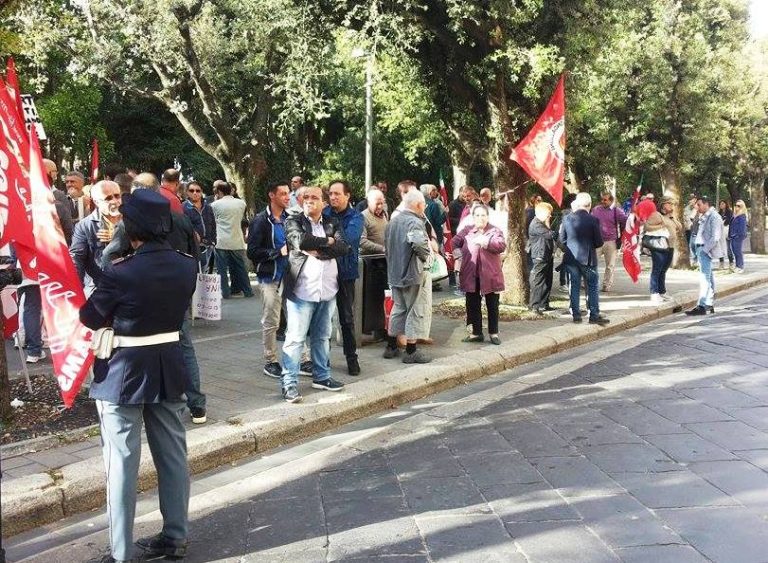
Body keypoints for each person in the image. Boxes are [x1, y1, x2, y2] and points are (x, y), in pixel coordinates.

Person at [79, 189, 197, 563]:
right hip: (168, 364)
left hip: (124, 372)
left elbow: (90, 317)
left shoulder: (120, 270)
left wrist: (110, 256)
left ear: (130, 226)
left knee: (122, 465)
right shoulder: (186, 264)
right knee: (174, 457)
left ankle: (120, 552)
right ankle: (175, 536)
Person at [101, 173, 206, 425]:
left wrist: (115, 281)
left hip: (140, 298)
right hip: (176, 295)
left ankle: (152, 402)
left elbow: (109, 257)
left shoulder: (132, 224)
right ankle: (196, 404)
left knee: (149, 348)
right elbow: (194, 255)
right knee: (183, 347)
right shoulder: (180, 220)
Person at [281, 186, 350, 403]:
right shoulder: (293, 221)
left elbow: (344, 247)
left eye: (315, 197)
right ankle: (289, 383)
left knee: (322, 337)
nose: (309, 200)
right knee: (295, 339)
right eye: (306, 197)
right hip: (302, 292)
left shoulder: (332, 222)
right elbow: (300, 241)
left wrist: (320, 249)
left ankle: (322, 376)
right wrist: (328, 242)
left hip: (328, 291)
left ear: (324, 203)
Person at [383, 190, 433, 363]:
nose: (424, 208)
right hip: (412, 273)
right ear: (418, 205)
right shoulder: (415, 222)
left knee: (398, 308)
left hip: (395, 273)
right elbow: (418, 244)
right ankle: (411, 351)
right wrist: (426, 255)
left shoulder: (392, 222)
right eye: (424, 205)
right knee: (414, 309)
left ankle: (391, 346)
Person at [247, 182, 290, 379]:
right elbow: (252, 252)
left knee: (296, 319)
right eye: (283, 194)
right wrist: (276, 252)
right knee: (271, 320)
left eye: (288, 194)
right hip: (269, 277)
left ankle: (304, 359)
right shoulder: (261, 221)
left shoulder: (290, 219)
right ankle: (270, 360)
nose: (287, 197)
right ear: (272, 195)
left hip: (289, 277)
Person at [323, 180, 365, 376]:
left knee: (346, 319)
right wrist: (330, 240)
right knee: (322, 318)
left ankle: (351, 358)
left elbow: (348, 242)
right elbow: (315, 240)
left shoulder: (356, 216)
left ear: (348, 196)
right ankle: (322, 359)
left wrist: (329, 236)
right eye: (330, 193)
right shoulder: (323, 214)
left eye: (337, 194)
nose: (333, 197)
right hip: (323, 272)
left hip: (346, 273)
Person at [453, 204, 506, 344]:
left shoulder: (495, 230)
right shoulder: (467, 230)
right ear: (473, 217)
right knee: (472, 304)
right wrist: (458, 255)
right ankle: (476, 333)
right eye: (477, 215)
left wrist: (487, 242)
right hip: (471, 274)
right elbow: (454, 242)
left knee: (492, 305)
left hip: (490, 274)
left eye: (483, 215)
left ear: (487, 217)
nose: (480, 218)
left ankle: (493, 333)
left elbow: (501, 245)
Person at [560, 192, 609, 326]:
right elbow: (599, 242)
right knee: (592, 286)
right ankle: (594, 314)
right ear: (589, 205)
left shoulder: (567, 218)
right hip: (587, 258)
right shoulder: (593, 220)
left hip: (571, 258)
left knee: (574, 286)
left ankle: (576, 314)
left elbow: (562, 239)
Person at [70, 180, 122, 291]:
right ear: (97, 202)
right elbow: (77, 258)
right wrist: (75, 289)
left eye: (117, 196)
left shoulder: (134, 219)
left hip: (133, 286)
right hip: (101, 287)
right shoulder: (84, 226)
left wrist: (119, 237)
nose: (115, 201)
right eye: (108, 198)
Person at [211, 182, 254, 299]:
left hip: (221, 240)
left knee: (222, 269)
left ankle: (225, 292)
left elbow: (213, 221)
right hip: (236, 239)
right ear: (231, 190)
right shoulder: (241, 203)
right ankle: (248, 291)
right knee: (241, 267)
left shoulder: (215, 205)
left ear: (219, 192)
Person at [686, 196, 724, 316]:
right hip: (700, 247)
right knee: (709, 276)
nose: (697, 207)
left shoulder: (714, 216)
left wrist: (704, 250)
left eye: (699, 205)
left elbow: (715, 237)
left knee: (704, 278)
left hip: (704, 249)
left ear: (706, 204)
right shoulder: (704, 215)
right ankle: (708, 303)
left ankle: (702, 305)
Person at [360, 189, 389, 341]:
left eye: (382, 203)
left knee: (384, 296)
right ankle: (372, 328)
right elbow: (362, 241)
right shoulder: (363, 217)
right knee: (372, 298)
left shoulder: (385, 214)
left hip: (385, 262)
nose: (380, 206)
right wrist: (382, 249)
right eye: (377, 203)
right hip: (371, 263)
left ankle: (382, 327)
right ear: (369, 202)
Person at [640, 197, 681, 304]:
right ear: (663, 205)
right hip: (659, 246)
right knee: (657, 269)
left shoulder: (670, 217)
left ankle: (662, 291)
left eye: (672, 204)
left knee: (663, 270)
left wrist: (672, 218)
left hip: (670, 246)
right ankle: (654, 293)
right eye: (669, 204)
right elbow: (647, 227)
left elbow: (679, 227)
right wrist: (661, 225)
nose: (671, 206)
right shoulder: (657, 215)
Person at [591, 193, 627, 292]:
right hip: (597, 241)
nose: (603, 201)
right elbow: (590, 222)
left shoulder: (617, 211)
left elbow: (625, 221)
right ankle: (591, 283)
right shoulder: (596, 210)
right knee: (592, 263)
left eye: (605, 200)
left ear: (611, 201)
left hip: (611, 241)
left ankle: (606, 285)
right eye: (602, 199)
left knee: (610, 265)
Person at [528, 202, 555, 315]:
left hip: (547, 254)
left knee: (547, 280)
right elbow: (550, 234)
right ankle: (534, 306)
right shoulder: (536, 224)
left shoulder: (542, 223)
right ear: (541, 213)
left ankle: (544, 303)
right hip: (540, 255)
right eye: (548, 214)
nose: (550, 216)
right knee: (538, 281)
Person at [183, 181, 216, 268]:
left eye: (198, 191)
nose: (195, 193)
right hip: (192, 248)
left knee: (205, 275)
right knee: (193, 274)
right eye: (191, 190)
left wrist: (213, 242)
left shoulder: (208, 208)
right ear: (187, 192)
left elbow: (213, 225)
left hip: (208, 246)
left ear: (201, 192)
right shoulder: (183, 208)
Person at [42, 158, 75, 245]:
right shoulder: (60, 197)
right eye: (54, 171)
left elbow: (67, 227)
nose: (56, 174)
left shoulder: (60, 196)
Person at [729, 200, 748, 273]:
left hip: (738, 236)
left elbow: (742, 228)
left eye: (739, 206)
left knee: (737, 251)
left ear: (742, 207)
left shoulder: (742, 216)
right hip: (733, 236)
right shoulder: (735, 215)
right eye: (736, 205)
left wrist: (738, 235)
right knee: (735, 251)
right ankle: (737, 266)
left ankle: (740, 267)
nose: (737, 207)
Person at [718, 199, 734, 269]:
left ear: (726, 204)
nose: (721, 205)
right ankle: (721, 263)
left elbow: (730, 221)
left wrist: (724, 221)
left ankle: (731, 262)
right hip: (720, 232)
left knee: (728, 249)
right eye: (720, 204)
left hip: (727, 232)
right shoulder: (719, 213)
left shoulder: (729, 212)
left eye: (723, 204)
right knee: (720, 249)